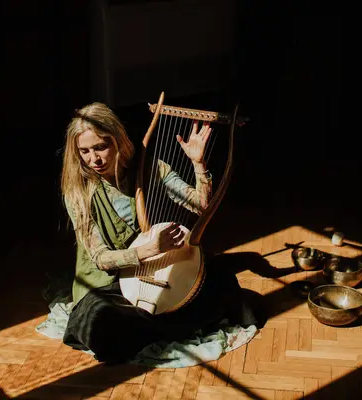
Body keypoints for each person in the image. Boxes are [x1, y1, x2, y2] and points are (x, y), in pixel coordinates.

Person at [60, 102, 261, 364]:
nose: (94, 159)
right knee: (100, 320)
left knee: (221, 279)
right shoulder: (77, 192)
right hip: (109, 281)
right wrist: (150, 249)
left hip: (155, 267)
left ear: (118, 140)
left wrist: (198, 164)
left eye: (100, 147)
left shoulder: (150, 167)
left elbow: (201, 205)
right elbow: (100, 258)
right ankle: (176, 321)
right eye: (84, 151)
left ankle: (163, 321)